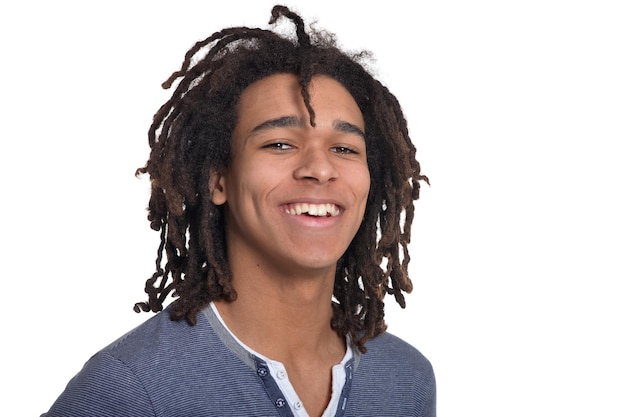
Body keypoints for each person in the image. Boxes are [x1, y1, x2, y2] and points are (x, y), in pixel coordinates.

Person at [42, 5, 435, 417]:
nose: (320, 169)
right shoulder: (131, 387)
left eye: (344, 148)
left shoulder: (406, 380)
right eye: (280, 144)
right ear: (218, 180)